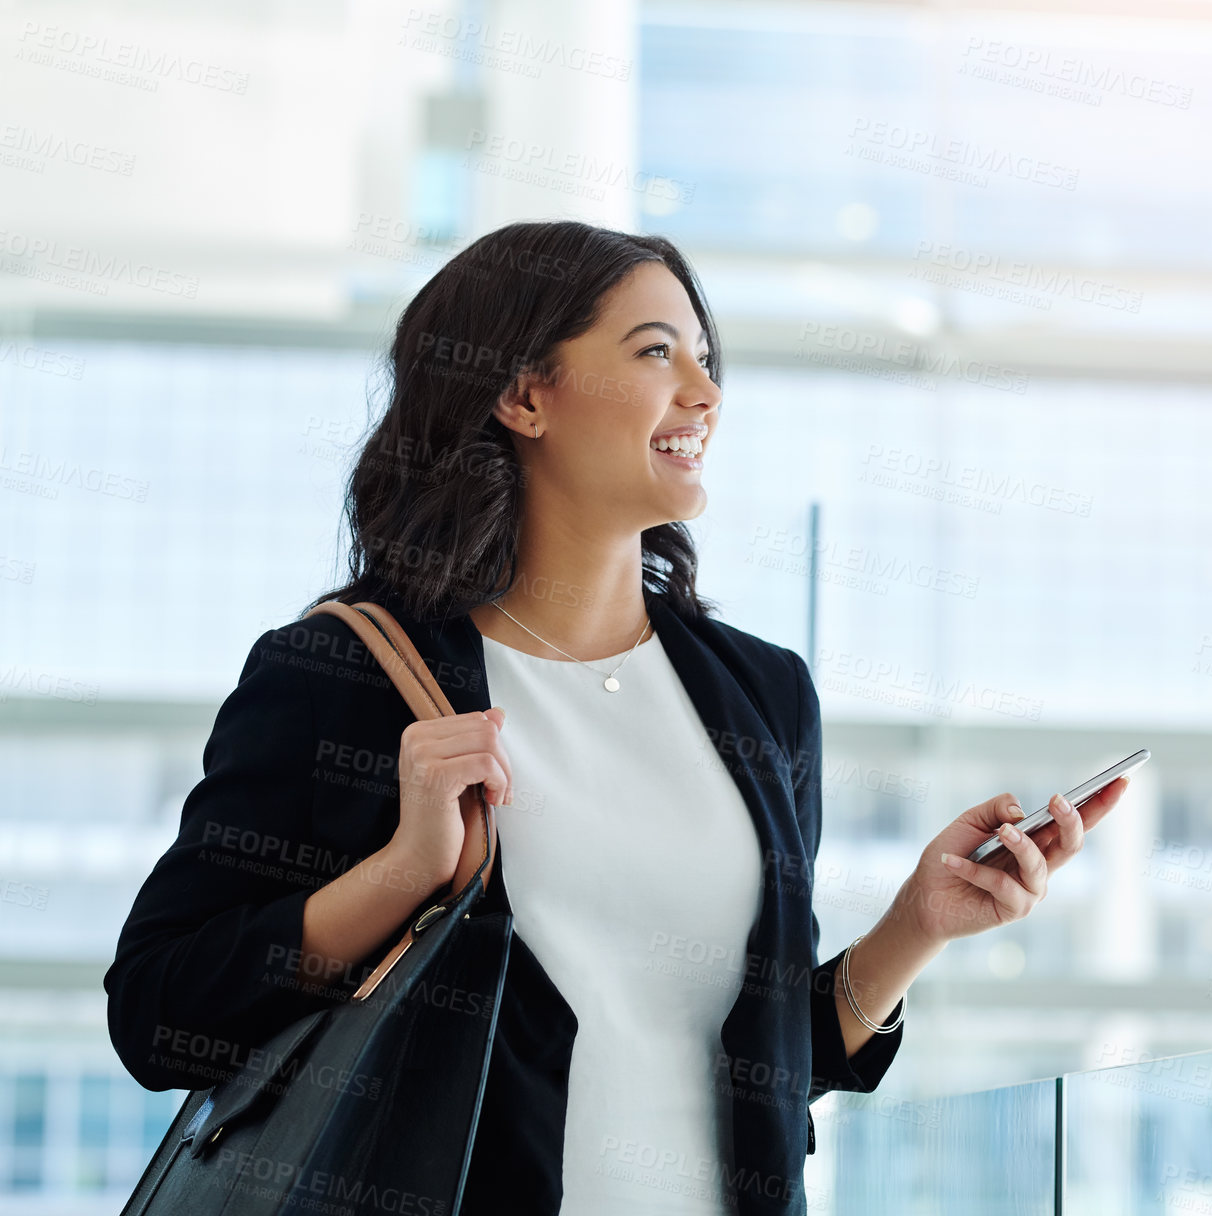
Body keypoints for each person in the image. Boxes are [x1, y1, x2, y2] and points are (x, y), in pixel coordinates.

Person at [103, 220, 1131, 1214]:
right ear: (522, 394)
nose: (704, 391)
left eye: (705, 356)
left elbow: (758, 1067)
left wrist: (918, 925)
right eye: (655, 351)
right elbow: (159, 1015)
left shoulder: (763, 696)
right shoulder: (348, 673)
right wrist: (406, 872)